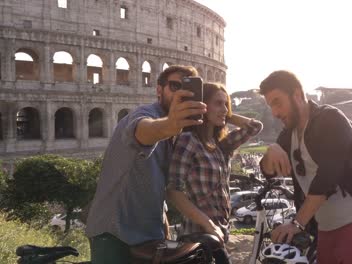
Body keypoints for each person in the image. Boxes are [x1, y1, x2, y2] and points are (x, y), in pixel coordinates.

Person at [258, 70, 352, 264]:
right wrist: (271, 151)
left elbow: (328, 177)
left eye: (277, 102)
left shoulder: (330, 119)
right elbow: (268, 172)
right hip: (325, 231)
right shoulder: (289, 134)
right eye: (271, 106)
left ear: (296, 94)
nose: (275, 113)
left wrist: (296, 223)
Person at [85, 65, 207, 264]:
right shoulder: (146, 113)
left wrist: (163, 222)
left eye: (188, 88)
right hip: (114, 231)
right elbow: (142, 131)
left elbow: (156, 182)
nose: (181, 93)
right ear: (159, 90)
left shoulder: (175, 133)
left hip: (148, 235)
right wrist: (170, 125)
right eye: (175, 85)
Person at [167, 82, 263, 264]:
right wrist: (209, 225)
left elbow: (255, 126)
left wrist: (226, 115)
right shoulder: (188, 140)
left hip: (220, 232)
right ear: (203, 105)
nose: (224, 109)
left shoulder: (220, 145)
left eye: (226, 103)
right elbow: (173, 191)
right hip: (197, 235)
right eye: (218, 103)